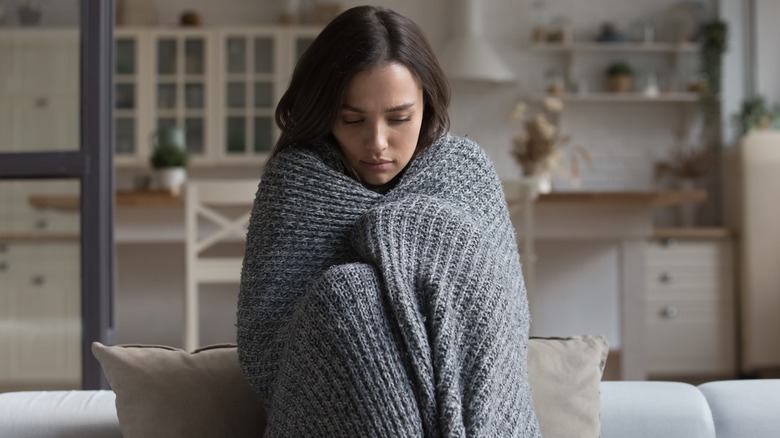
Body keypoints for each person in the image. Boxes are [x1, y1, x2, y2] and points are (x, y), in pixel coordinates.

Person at [237, 5, 541, 437]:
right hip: (335, 409)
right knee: (349, 295)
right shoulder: (293, 184)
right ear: (324, 113)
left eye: (399, 119)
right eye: (352, 119)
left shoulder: (464, 173)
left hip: (462, 406)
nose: (376, 143)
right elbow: (264, 347)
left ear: (427, 106)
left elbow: (503, 321)